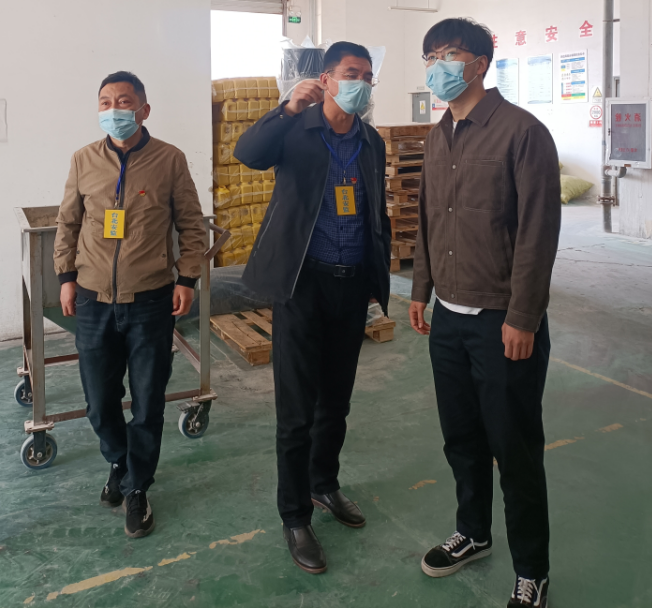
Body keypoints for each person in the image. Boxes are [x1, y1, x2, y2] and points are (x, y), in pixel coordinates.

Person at [408, 18, 561, 608]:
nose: (437, 66)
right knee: (462, 438)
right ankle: (472, 532)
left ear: (479, 63)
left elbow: (537, 234)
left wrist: (523, 317)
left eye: (448, 54)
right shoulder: (438, 135)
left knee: (514, 450)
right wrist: (420, 290)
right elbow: (428, 220)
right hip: (448, 318)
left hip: (502, 321)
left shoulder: (523, 133)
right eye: (430, 57)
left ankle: (532, 571)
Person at [234, 42, 391, 574]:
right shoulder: (295, 129)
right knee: (296, 411)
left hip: (351, 285)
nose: (360, 83)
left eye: (367, 76)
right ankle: (295, 514)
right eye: (351, 73)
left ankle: (325, 484)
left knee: (336, 402)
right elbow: (248, 152)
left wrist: (376, 280)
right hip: (302, 285)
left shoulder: (370, 141)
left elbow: (375, 211)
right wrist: (285, 109)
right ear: (325, 79)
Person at [53, 71, 206, 539]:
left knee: (147, 400)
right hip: (93, 299)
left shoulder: (169, 159)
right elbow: (68, 223)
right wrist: (65, 277)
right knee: (100, 402)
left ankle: (137, 486)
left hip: (150, 300)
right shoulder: (83, 159)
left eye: (123, 101)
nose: (114, 109)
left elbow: (192, 223)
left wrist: (187, 278)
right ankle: (119, 462)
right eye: (105, 102)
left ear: (143, 109)